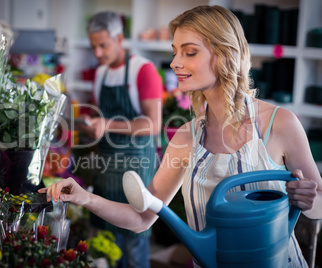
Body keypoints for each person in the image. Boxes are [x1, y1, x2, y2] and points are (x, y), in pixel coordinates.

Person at [39, 5, 322, 268]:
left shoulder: (279, 124)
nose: (174, 63)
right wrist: (85, 199)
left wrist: (309, 200)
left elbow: (319, 206)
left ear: (224, 54)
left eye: (189, 52)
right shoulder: (186, 138)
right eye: (175, 51)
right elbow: (142, 218)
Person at [70, 11, 163, 268]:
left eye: (103, 45)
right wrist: (91, 127)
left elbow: (153, 124)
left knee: (134, 239)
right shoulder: (100, 74)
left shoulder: (143, 71)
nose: (98, 53)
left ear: (119, 38)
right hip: (106, 165)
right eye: (93, 46)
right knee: (108, 243)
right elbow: (103, 118)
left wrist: (107, 124)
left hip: (135, 168)